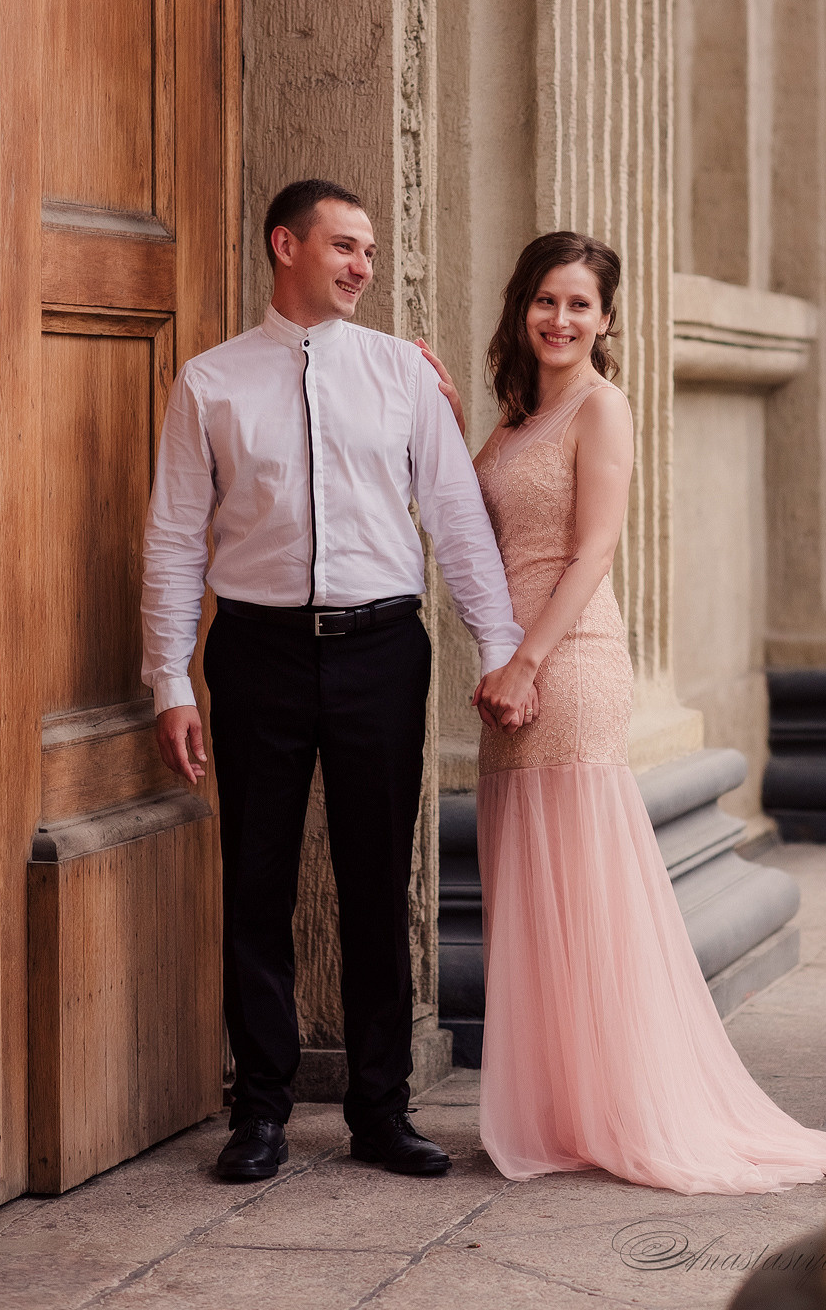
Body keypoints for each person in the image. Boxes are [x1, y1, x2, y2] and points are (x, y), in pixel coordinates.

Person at [419, 230, 826, 1193]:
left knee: (582, 883)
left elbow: (592, 554)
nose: (560, 319)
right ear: (521, 309)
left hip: (568, 662)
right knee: (534, 884)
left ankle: (626, 1104)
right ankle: (564, 1107)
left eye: (580, 304)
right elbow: (464, 513)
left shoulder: (602, 408)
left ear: (606, 319)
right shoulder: (513, 421)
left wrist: (525, 663)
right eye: (546, 301)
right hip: (512, 667)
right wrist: (447, 410)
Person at [141, 178, 532, 1185]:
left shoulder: (402, 374)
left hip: (379, 654)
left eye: (367, 250)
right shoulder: (209, 383)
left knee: (374, 885)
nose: (364, 265)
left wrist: (500, 649)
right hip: (256, 656)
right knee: (256, 885)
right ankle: (260, 1113)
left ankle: (379, 1109)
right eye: (345, 246)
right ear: (285, 245)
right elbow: (175, 541)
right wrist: (169, 683)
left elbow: (453, 519)